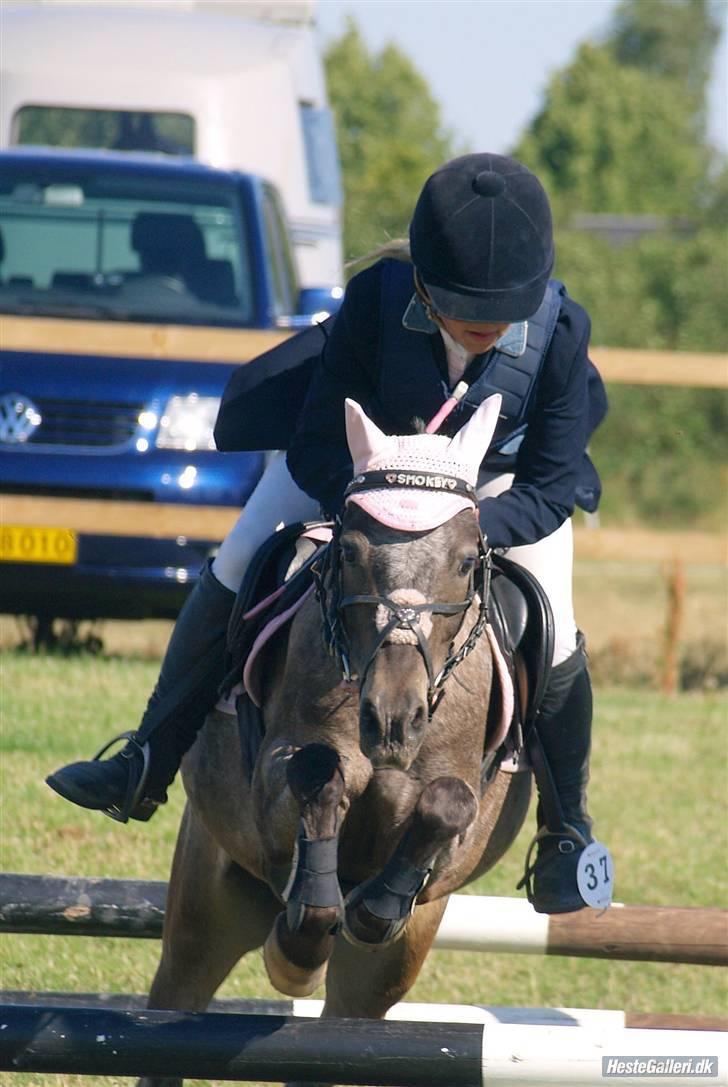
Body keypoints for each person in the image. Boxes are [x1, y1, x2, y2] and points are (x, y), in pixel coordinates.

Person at [47, 152, 608, 915]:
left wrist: (461, 530)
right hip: (362, 477)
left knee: (555, 621)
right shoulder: (374, 302)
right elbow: (314, 443)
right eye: (463, 304)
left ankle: (567, 828)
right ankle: (148, 755)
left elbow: (550, 485)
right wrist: (374, 508)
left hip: (493, 492)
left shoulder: (562, 331)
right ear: (421, 286)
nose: (486, 324)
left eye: (506, 307)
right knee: (242, 553)